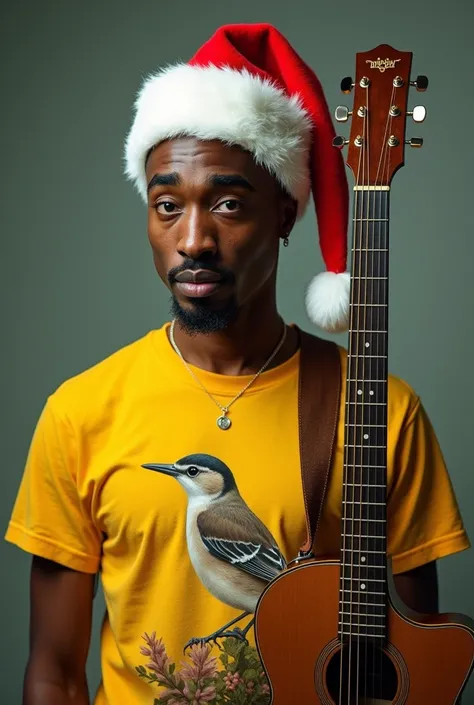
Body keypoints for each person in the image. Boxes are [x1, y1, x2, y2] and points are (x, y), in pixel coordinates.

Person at [5, 22, 470, 705]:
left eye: (227, 204)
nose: (193, 239)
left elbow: (414, 667)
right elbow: (52, 670)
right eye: (167, 206)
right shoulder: (79, 412)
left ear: (284, 213)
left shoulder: (383, 411)